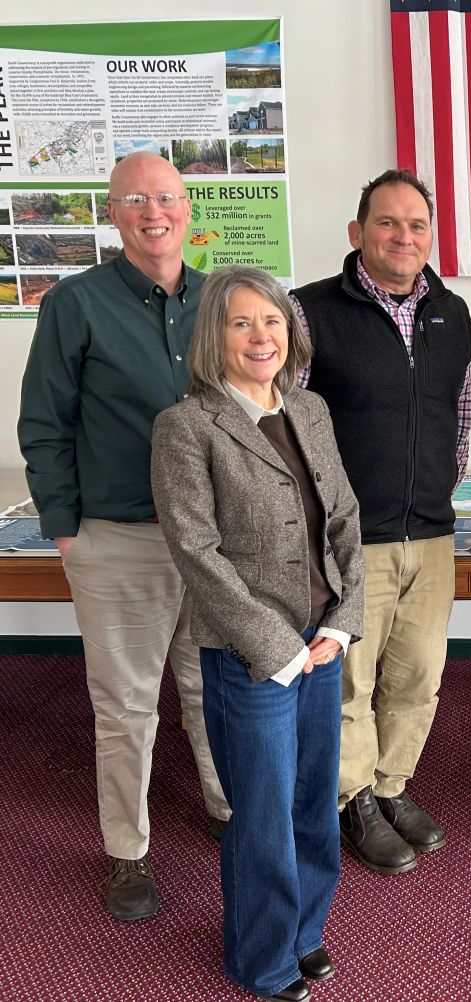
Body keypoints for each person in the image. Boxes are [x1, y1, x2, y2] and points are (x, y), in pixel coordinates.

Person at [17, 151, 229, 921]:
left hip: (212, 543)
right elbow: (44, 423)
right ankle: (127, 852)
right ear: (115, 212)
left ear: (187, 207)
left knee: (214, 690)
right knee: (128, 706)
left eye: (166, 197)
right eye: (136, 200)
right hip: (118, 538)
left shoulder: (223, 299)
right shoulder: (76, 303)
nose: (154, 212)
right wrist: (66, 530)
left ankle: (225, 807)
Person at [151, 266, 364, 1002]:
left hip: (323, 641)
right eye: (241, 323)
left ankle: (304, 933)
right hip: (251, 655)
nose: (260, 336)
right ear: (214, 336)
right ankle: (260, 958)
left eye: (271, 321)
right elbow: (194, 550)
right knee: (265, 815)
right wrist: (274, 649)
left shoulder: (309, 410)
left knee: (314, 801)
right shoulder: (186, 426)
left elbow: (344, 520)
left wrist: (342, 622)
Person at [289, 169, 471, 876]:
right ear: (357, 232)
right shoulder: (306, 313)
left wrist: (433, 488)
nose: (404, 236)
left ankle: (393, 785)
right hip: (347, 539)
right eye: (388, 223)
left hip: (429, 532)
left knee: (418, 676)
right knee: (349, 683)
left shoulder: (450, 313)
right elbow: (283, 428)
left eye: (417, 225)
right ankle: (353, 797)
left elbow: (459, 415)